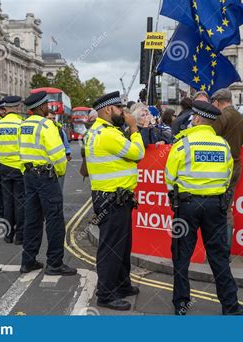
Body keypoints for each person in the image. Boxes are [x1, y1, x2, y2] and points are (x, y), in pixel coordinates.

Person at [165, 100, 243, 316]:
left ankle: (181, 304)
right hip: (216, 207)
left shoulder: (182, 143)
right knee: (219, 256)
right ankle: (230, 306)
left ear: (195, 119)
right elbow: (228, 175)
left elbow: (169, 177)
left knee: (181, 255)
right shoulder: (222, 145)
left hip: (187, 206)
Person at [85, 91, 144, 311]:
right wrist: (135, 128)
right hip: (112, 199)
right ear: (109, 109)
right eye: (120, 109)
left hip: (114, 198)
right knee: (111, 247)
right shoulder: (108, 134)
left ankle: (121, 284)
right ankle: (106, 294)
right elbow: (138, 153)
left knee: (122, 244)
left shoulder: (102, 131)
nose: (123, 113)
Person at [20, 91, 76, 276]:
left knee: (32, 219)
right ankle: (54, 263)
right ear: (41, 107)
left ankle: (28, 261)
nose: (49, 108)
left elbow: (20, 152)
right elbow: (59, 156)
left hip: (29, 176)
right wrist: (58, 173)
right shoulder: (47, 126)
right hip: (46, 177)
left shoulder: (24, 126)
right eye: (47, 105)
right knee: (54, 220)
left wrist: (26, 171)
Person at [210, 88, 243, 247]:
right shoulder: (240, 116)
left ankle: (221, 248)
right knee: (226, 205)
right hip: (236, 164)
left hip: (221, 166)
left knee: (221, 209)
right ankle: (224, 248)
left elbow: (210, 138)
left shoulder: (222, 116)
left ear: (218, 102)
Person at [0, 96, 25, 244]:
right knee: (20, 201)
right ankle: (20, 236)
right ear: (17, 107)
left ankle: (8, 234)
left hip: (4, 166)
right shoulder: (21, 124)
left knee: (7, 202)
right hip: (19, 167)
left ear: (6, 108)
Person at [46, 109, 72, 191]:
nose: (52, 121)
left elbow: (67, 147)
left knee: (59, 191)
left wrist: (67, 156)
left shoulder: (60, 130)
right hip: (45, 167)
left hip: (59, 166)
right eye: (49, 118)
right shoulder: (42, 130)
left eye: (53, 118)